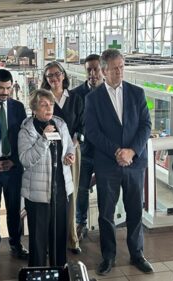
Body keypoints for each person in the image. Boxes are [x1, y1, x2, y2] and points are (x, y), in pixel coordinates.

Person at [85, 49, 153, 275]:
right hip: (108, 164)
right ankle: (109, 256)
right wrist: (116, 151)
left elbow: (145, 126)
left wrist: (132, 151)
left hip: (134, 163)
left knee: (135, 211)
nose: (120, 71)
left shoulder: (137, 93)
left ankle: (137, 254)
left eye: (122, 67)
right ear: (104, 70)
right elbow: (92, 132)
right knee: (106, 213)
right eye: (115, 68)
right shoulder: (93, 98)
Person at [18, 89, 75, 267]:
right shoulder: (26, 131)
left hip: (60, 192)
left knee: (59, 239)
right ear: (34, 108)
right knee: (38, 242)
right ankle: (38, 274)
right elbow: (25, 160)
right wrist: (43, 139)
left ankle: (59, 272)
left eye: (50, 104)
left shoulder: (60, 124)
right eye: (43, 104)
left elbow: (69, 147)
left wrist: (70, 156)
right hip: (37, 196)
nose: (48, 107)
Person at [0, 69, 28, 264]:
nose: (5, 92)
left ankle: (16, 244)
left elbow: (23, 138)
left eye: (8, 88)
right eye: (1, 88)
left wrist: (15, 161)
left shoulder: (18, 107)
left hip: (13, 168)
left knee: (14, 209)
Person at [41, 61, 83, 254]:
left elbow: (83, 124)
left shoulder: (75, 98)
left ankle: (72, 238)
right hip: (48, 152)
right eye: (50, 76)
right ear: (46, 79)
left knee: (70, 194)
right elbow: (39, 122)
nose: (54, 78)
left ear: (64, 75)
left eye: (57, 74)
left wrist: (72, 146)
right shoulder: (44, 99)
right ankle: (50, 240)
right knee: (51, 195)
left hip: (72, 151)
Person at [72, 54, 104, 241]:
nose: (92, 73)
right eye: (89, 70)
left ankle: (105, 223)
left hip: (105, 153)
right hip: (84, 152)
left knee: (107, 191)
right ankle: (81, 222)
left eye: (96, 69)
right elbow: (74, 122)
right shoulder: (77, 94)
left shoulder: (110, 92)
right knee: (81, 189)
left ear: (103, 69)